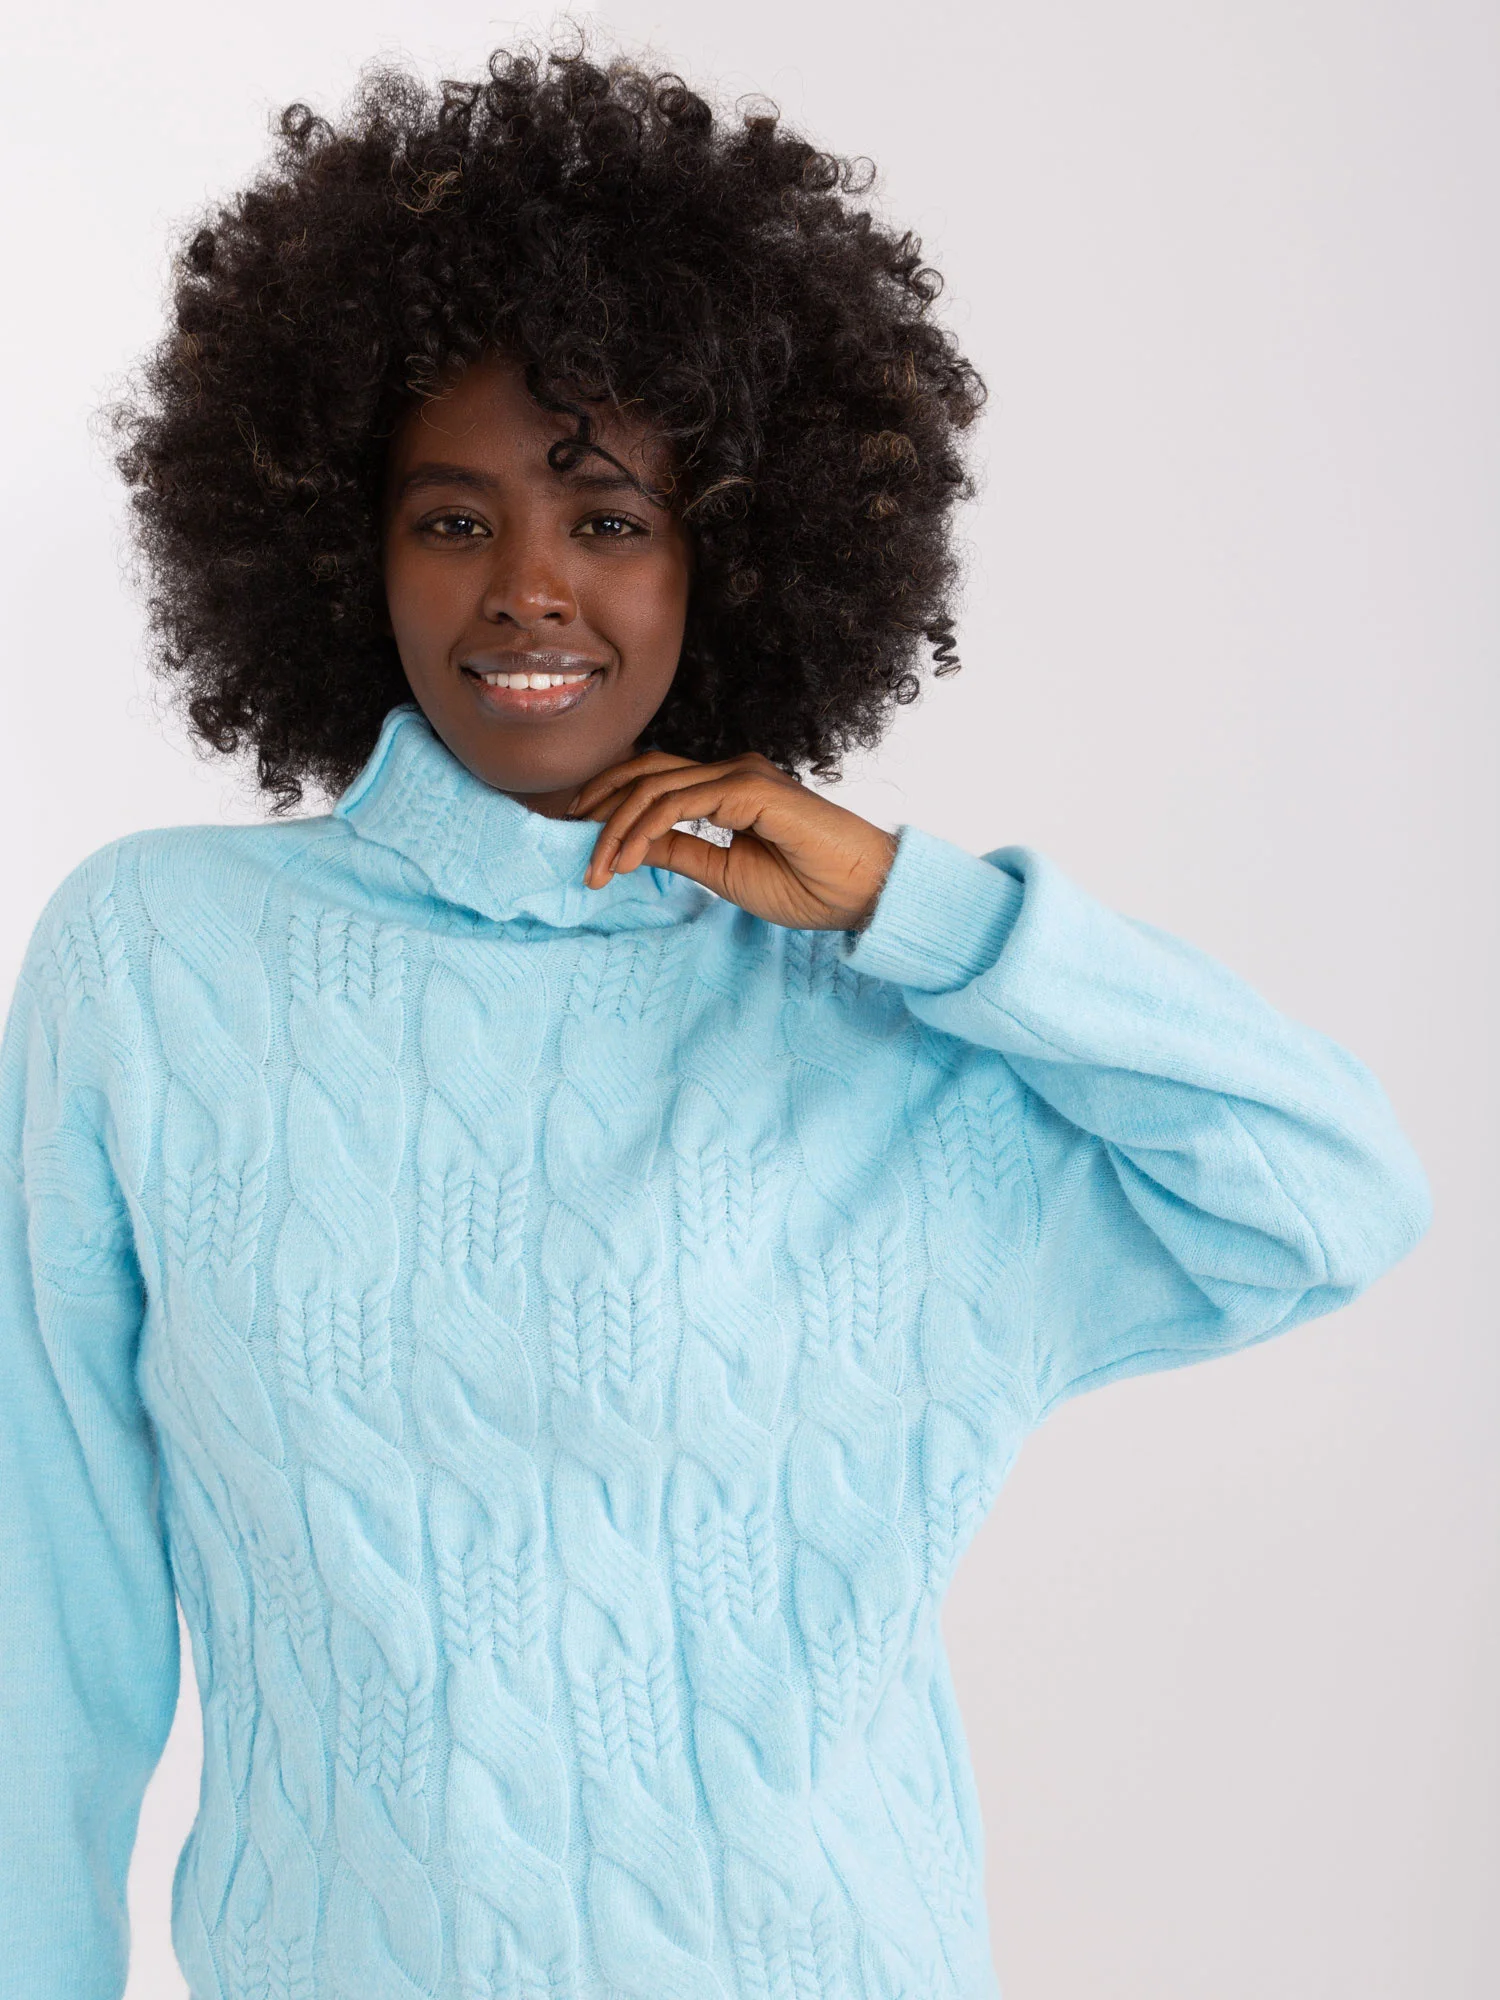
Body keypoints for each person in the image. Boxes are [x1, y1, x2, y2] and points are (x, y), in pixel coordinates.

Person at [0, 40, 1429, 2000]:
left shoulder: (882, 1023)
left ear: (726, 551)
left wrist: (912, 904)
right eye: (451, 521)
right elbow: (47, 1605)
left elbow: (1334, 1195)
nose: (529, 591)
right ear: (340, 546)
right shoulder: (157, 963)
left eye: (608, 521)